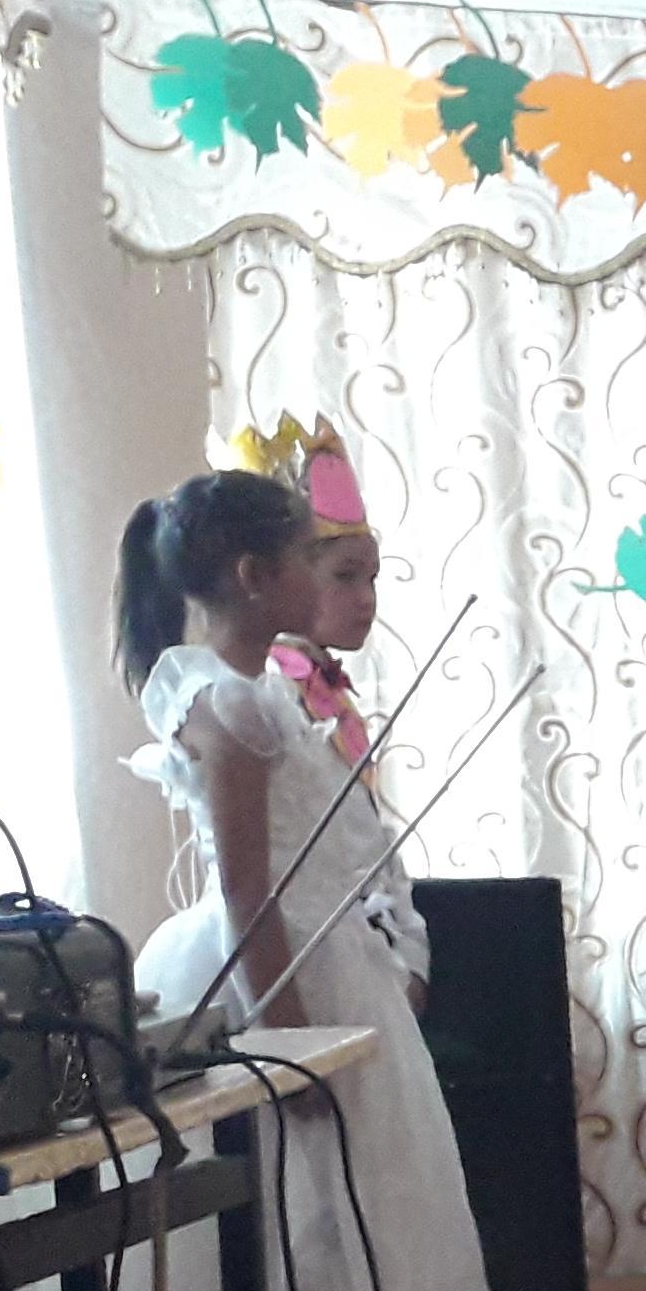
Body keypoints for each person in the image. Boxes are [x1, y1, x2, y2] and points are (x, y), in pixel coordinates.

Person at [117, 466, 512, 1291]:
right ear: (256, 575)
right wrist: (282, 1041)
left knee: (346, 1201)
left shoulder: (255, 692)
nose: (320, 578)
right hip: (279, 976)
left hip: (325, 956)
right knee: (305, 1205)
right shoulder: (227, 705)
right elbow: (248, 886)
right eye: (306, 558)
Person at [248, 424, 430, 1013]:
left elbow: (366, 839)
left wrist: (411, 953)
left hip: (364, 949)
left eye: (372, 578)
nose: (367, 598)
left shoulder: (332, 692)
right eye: (344, 576)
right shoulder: (266, 694)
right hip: (305, 949)